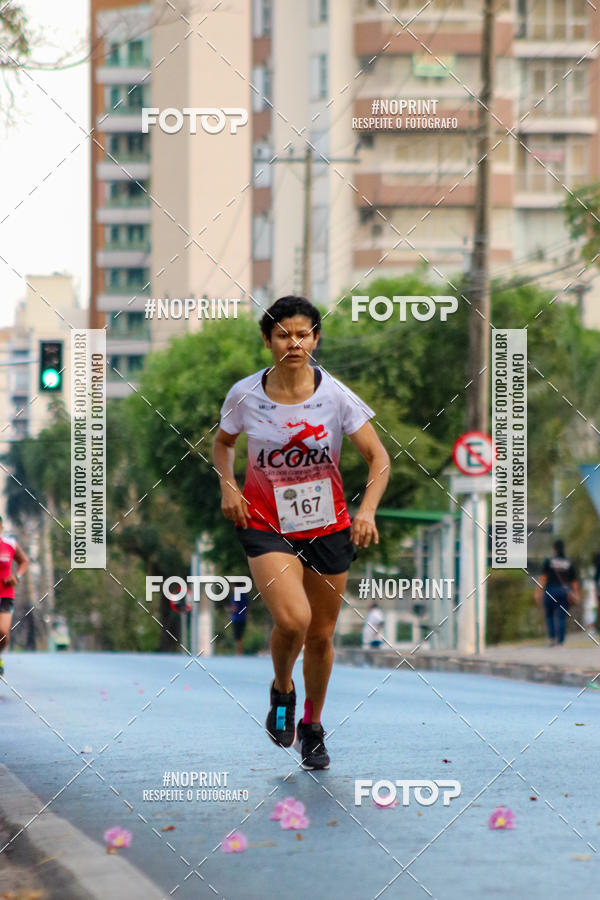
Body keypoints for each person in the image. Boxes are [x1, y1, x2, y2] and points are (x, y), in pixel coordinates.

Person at [213, 295, 390, 769]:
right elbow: (223, 444)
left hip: (328, 525)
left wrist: (367, 511)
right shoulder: (245, 394)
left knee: (322, 635)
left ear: (316, 338)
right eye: (283, 334)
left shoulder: (335, 395)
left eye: (303, 333)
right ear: (268, 340)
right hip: (266, 523)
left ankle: (311, 726)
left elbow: (379, 457)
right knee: (294, 620)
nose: (294, 343)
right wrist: (229, 487)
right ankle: (282, 690)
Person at [0, 517, 30, 676]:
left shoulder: (9, 544)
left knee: (4, 633)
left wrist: (16, 576)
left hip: (5, 594)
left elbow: (24, 561)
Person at [535, 539, 579, 646]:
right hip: (564, 591)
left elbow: (543, 578)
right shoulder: (568, 562)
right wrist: (576, 593)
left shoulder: (549, 561)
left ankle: (552, 639)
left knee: (549, 615)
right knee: (561, 616)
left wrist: (538, 592)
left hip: (550, 591)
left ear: (554, 549)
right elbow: (574, 581)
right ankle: (560, 641)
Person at [230, 591, 249, 655]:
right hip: (243, 618)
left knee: (237, 637)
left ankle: (239, 653)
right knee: (240, 637)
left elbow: (235, 608)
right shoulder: (244, 596)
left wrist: (229, 610)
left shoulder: (236, 596)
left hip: (236, 618)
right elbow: (247, 608)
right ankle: (240, 652)